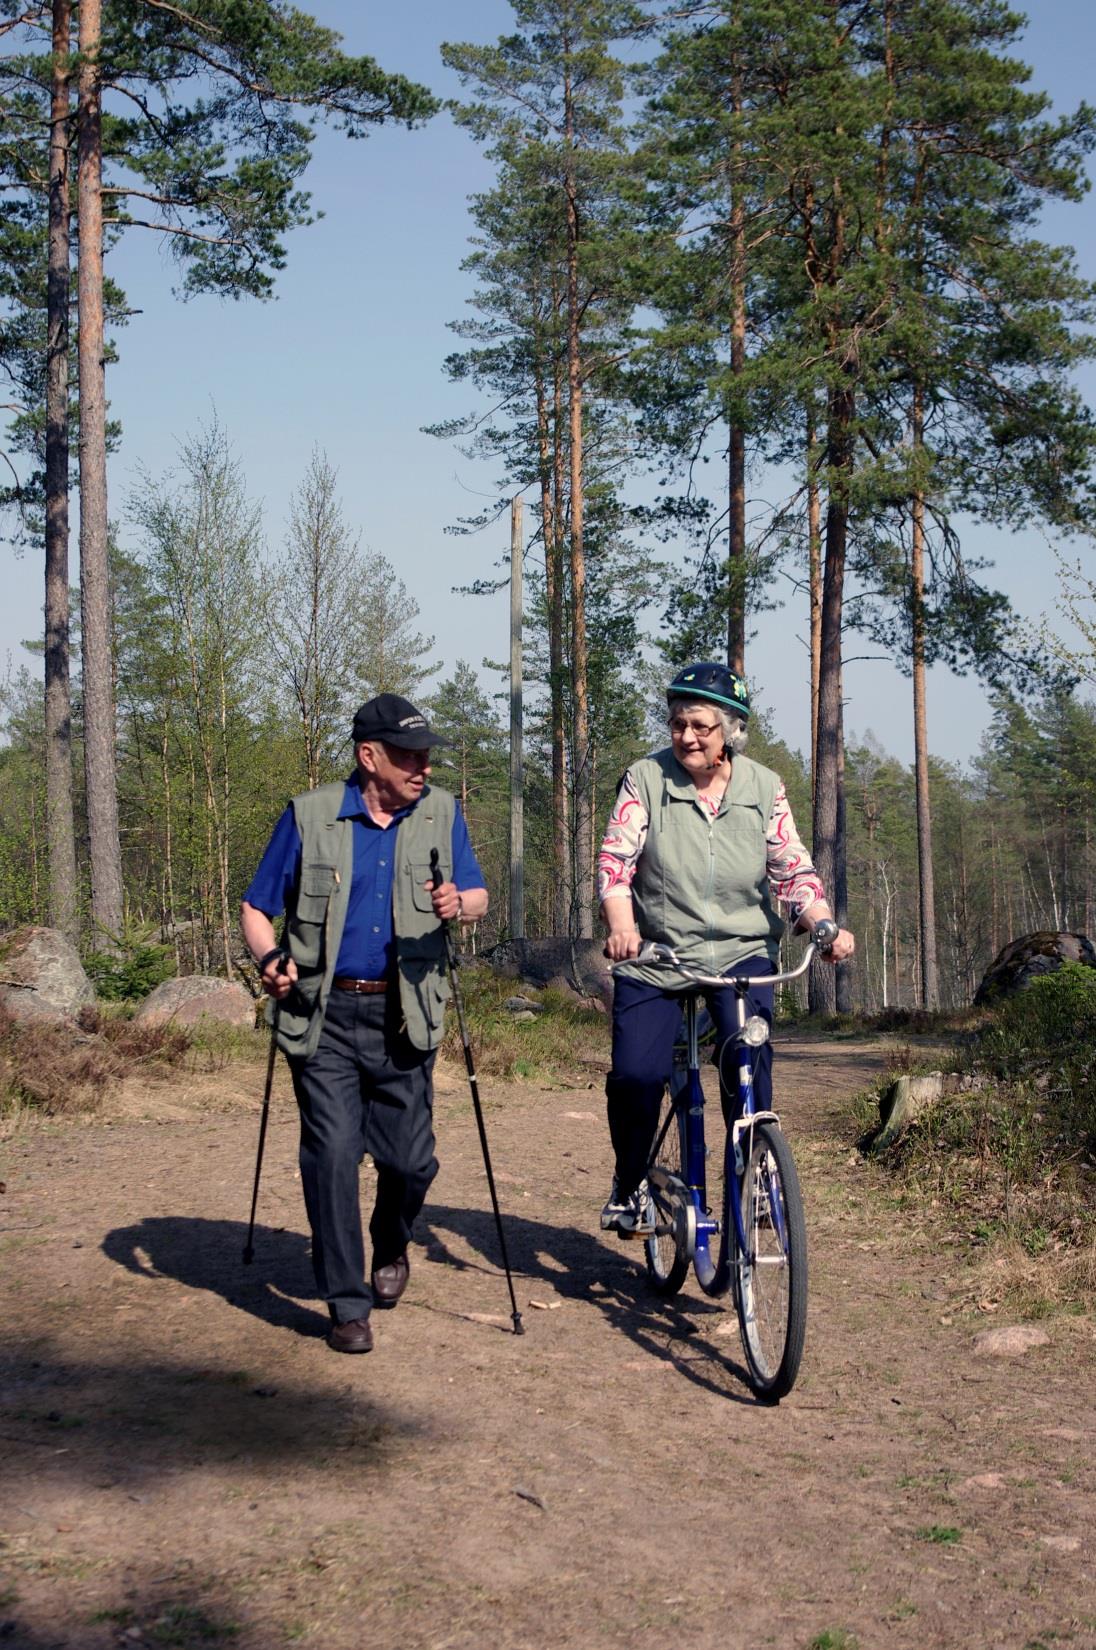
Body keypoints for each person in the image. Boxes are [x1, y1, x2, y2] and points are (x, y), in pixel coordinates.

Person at [240, 693, 488, 1353]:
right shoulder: (310, 816)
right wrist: (270, 958)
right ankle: (347, 1305)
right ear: (367, 756)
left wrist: (456, 903)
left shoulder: (441, 815)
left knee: (409, 1162)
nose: (422, 768)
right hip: (322, 1015)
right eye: (408, 756)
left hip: (405, 1012)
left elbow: (479, 894)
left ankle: (391, 1239)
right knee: (332, 1157)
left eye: (427, 757)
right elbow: (255, 908)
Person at [597, 662, 855, 1234]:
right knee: (637, 1076)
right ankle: (631, 1180)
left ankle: (757, 1178)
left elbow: (791, 866)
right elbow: (616, 861)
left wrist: (822, 923)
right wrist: (622, 925)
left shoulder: (763, 787)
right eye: (677, 724)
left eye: (700, 726)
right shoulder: (645, 780)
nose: (686, 736)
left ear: (730, 731)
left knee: (747, 1060)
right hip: (658, 955)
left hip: (741, 957)